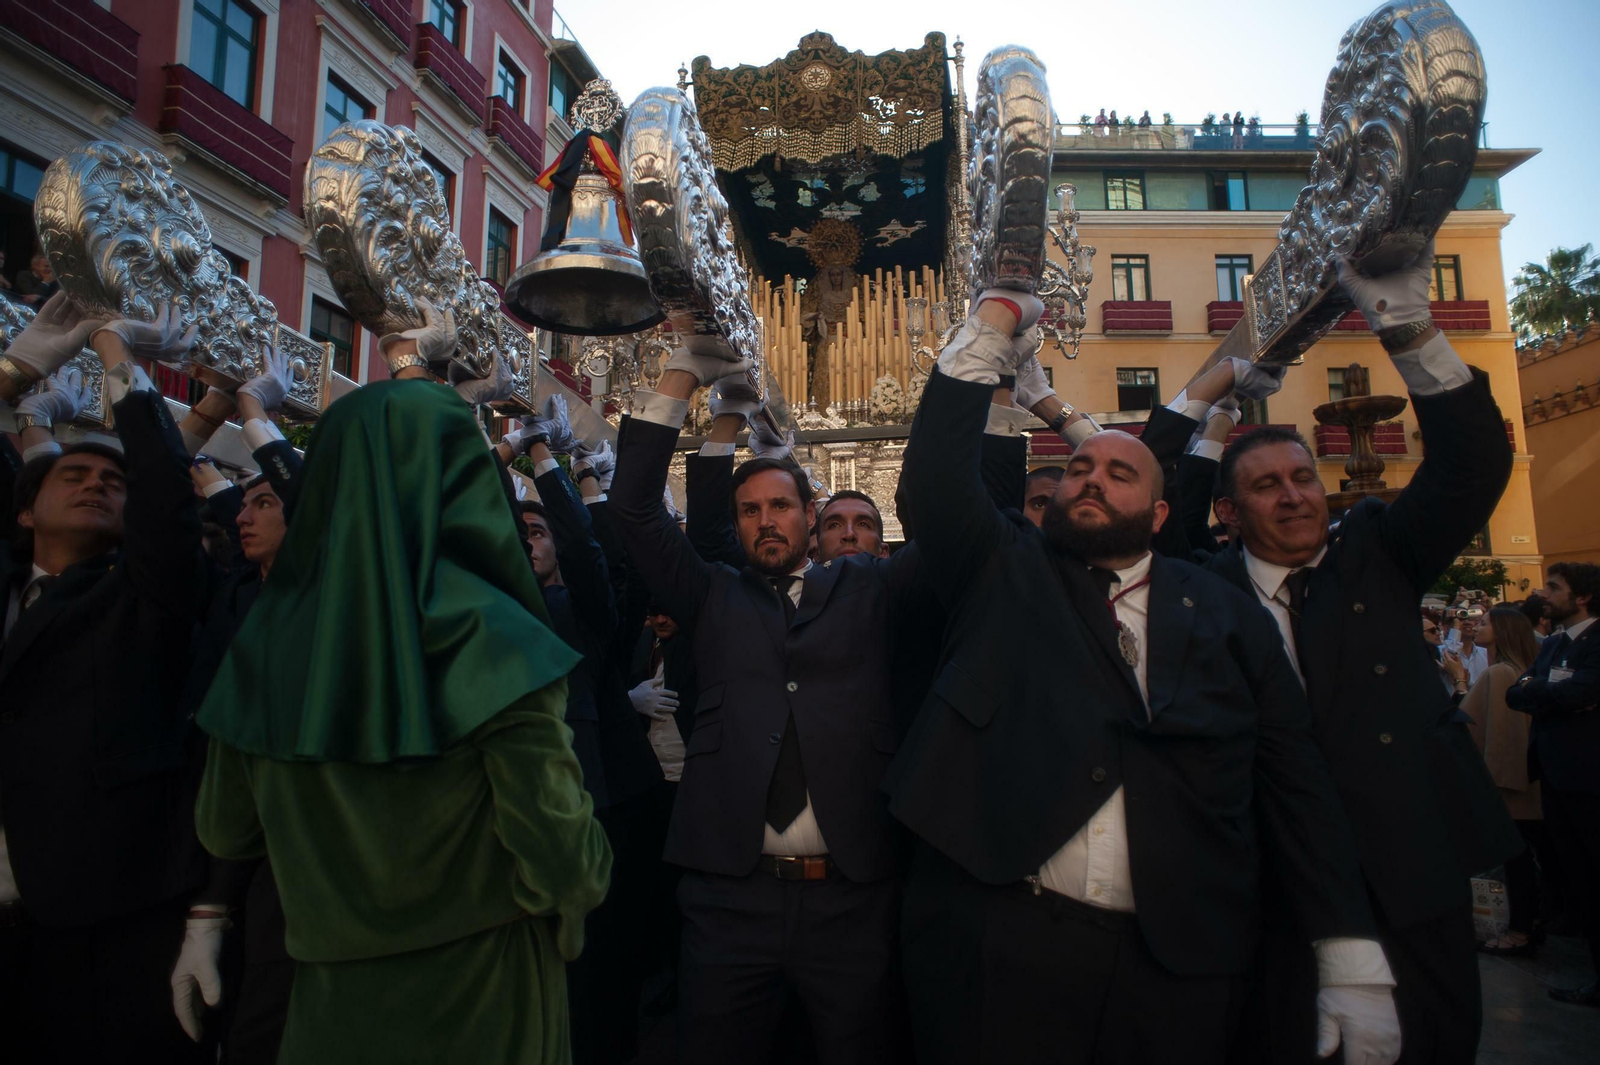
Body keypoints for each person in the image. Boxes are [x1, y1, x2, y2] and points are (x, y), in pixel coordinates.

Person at [886, 296, 1398, 1065]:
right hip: (997, 945)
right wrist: (991, 325)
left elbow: (1293, 775)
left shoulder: (1224, 608)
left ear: (1160, 514)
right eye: (1080, 469)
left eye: (1120, 472)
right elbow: (936, 478)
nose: (1092, 479)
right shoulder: (1005, 569)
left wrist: (1349, 950)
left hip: (1174, 972)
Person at [192, 311, 612, 1064]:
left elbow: (226, 829)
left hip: (328, 1000)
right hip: (483, 995)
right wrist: (575, 906)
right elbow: (561, 853)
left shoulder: (268, 639)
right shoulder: (497, 636)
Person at [1188, 242, 1523, 1061]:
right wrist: (1213, 413)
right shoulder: (1206, 592)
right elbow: (1159, 498)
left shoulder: (1377, 550)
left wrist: (1407, 326)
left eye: (1302, 477)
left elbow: (1471, 468)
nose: (1296, 495)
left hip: (1411, 869)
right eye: (1267, 486)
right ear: (1229, 514)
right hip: (1277, 887)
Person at [609, 339, 928, 1063]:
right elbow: (631, 507)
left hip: (850, 898)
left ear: (810, 514)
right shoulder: (712, 596)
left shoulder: (870, 590)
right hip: (729, 901)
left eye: (781, 505)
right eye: (749, 510)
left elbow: (954, 526)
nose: (765, 520)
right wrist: (685, 375)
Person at [0, 300, 216, 1061]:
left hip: (103, 919)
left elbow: (163, 501)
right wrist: (12, 377)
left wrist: (117, 357)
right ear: (24, 513)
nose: (96, 484)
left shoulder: (135, 597)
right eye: (74, 472)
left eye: (110, 480)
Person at [499, 395, 665, 1065]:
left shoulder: (584, 606)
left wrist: (545, 456)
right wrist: (503, 449)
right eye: (520, 533)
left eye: (539, 533)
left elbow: (592, 550)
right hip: (513, 803)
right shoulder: (495, 609)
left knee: (597, 974)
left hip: (593, 802)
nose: (530, 542)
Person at [1506, 562, 1600, 1007]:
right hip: (1556, 776)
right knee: (1576, 875)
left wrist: (1542, 692)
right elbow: (1517, 692)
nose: (1544, 593)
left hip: (1589, 778)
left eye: (1554, 587)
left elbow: (1578, 692)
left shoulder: (1596, 641)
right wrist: (1547, 692)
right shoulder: (1556, 644)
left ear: (1581, 597)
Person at [1464, 606, 1544, 956]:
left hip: (1508, 787)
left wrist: (1457, 680)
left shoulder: (1500, 672)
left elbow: (1496, 734)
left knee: (1516, 862)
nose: (1476, 627)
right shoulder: (1518, 669)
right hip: (1524, 785)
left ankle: (1520, 930)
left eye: (1485, 623)